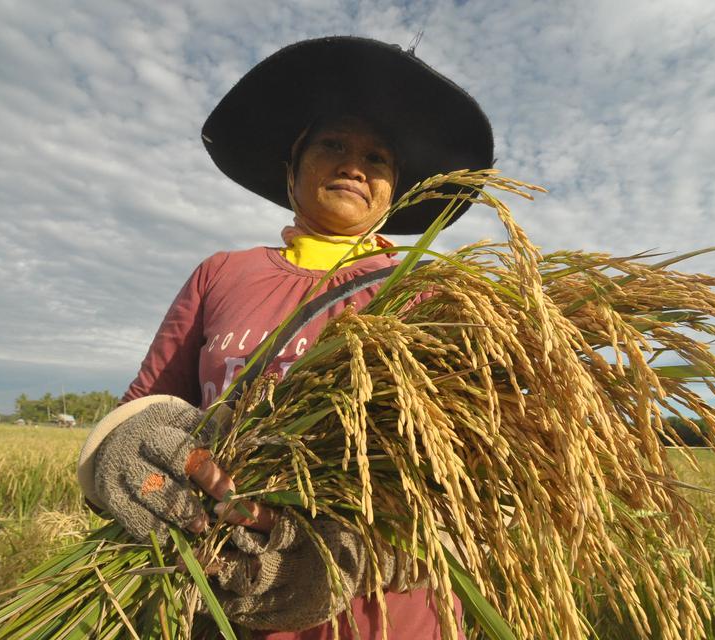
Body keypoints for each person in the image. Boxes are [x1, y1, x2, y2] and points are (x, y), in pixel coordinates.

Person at [76, 36, 493, 639]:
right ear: (291, 169)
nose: (355, 165)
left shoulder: (431, 291)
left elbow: (479, 471)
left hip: (387, 610)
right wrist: (131, 452)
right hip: (226, 596)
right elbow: (145, 412)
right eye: (334, 145)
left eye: (378, 159)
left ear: (394, 190)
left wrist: (354, 555)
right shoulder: (223, 272)